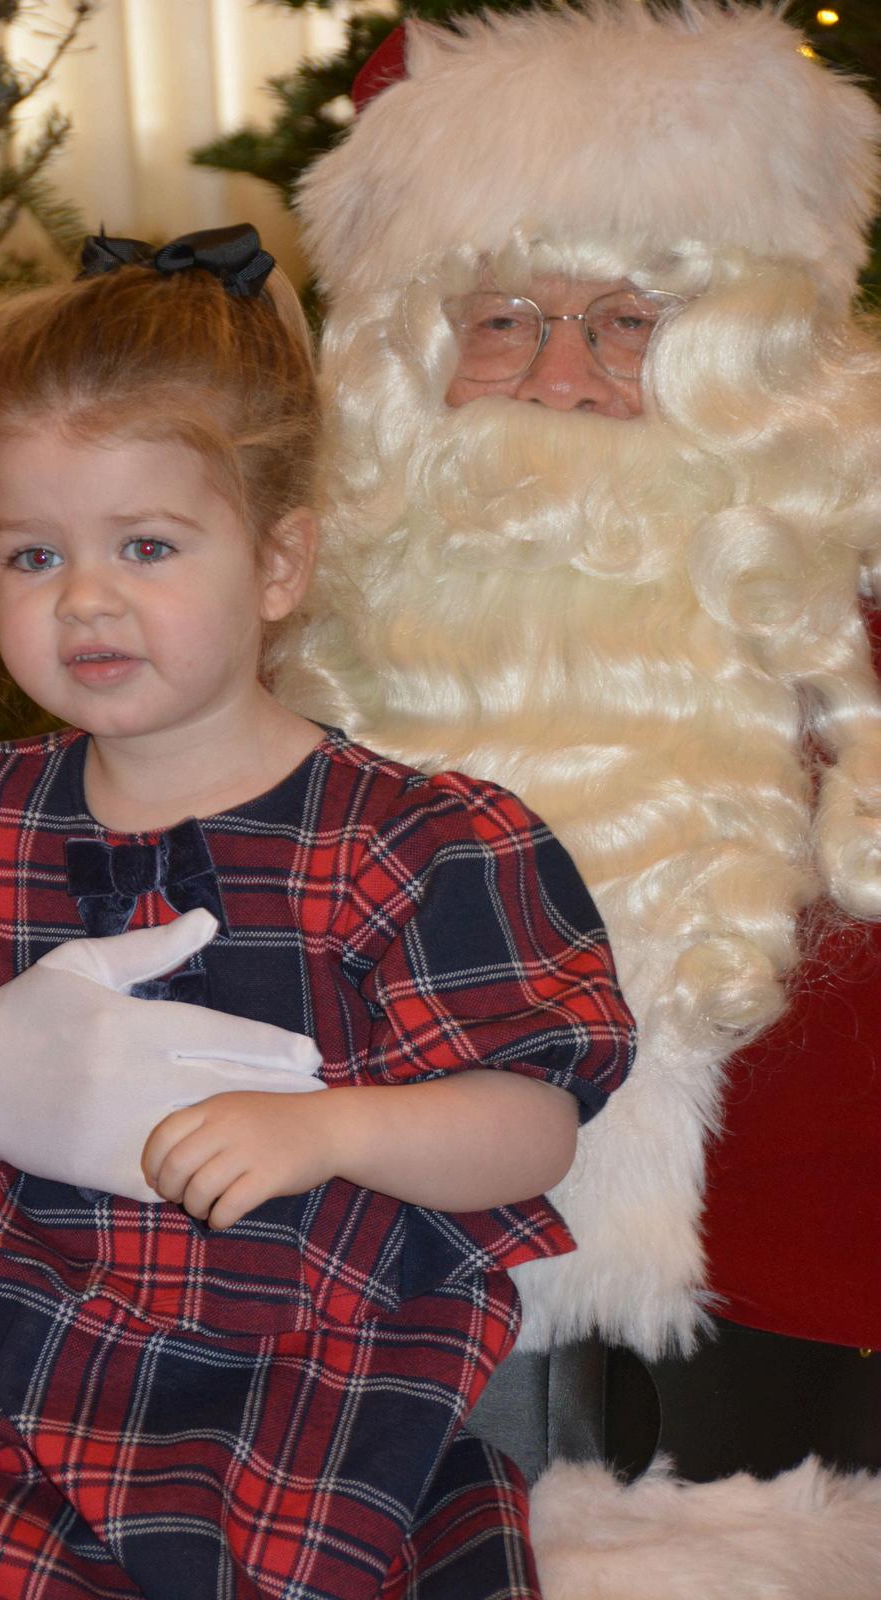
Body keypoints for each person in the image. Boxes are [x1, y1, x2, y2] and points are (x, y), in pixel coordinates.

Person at [0, 225, 633, 1597]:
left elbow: (534, 1122)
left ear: (277, 563)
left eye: (147, 545)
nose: (86, 599)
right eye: (33, 556)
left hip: (321, 1421)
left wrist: (334, 1130)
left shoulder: (420, 842)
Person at [272, 3, 881, 1589]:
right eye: (503, 321)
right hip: (369, 1405)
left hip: (813, 1430)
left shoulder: (857, 672)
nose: (562, 386)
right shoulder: (288, 666)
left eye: (630, 324)